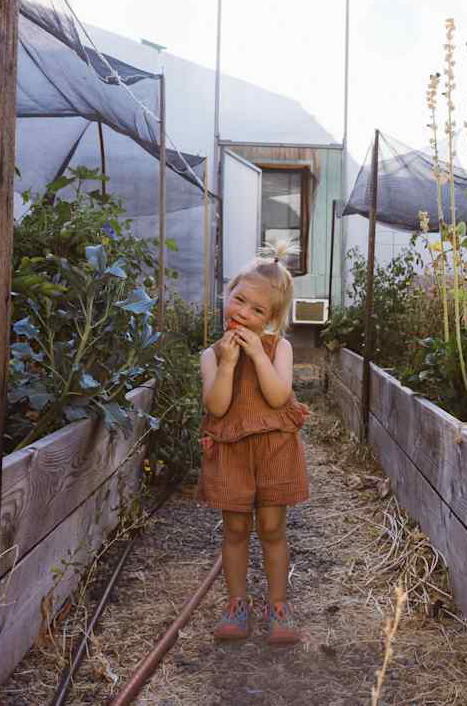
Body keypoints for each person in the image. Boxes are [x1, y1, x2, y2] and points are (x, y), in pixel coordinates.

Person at [198, 241, 309, 645]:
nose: (243, 313)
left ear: (271, 320)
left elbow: (279, 397)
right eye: (238, 300)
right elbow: (218, 407)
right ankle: (237, 604)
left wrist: (258, 357)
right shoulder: (212, 355)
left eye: (257, 310)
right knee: (235, 527)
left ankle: (278, 605)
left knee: (272, 526)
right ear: (228, 294)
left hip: (273, 449)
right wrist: (228, 365)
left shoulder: (280, 348)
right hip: (232, 451)